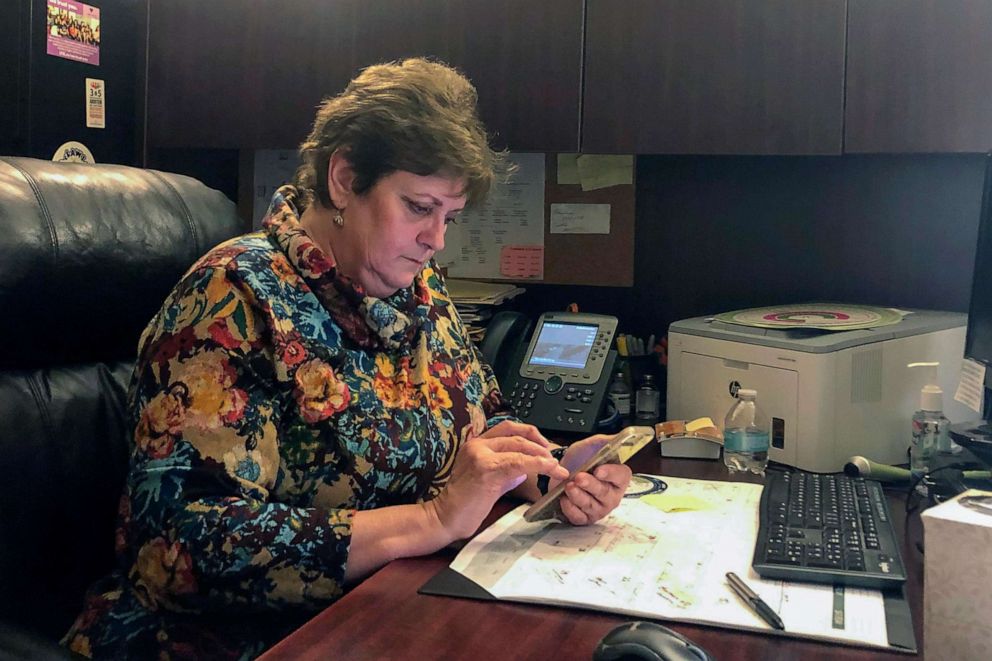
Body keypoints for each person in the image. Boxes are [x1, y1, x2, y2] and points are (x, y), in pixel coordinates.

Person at [63, 57, 631, 659]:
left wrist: (552, 473)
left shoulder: (417, 290)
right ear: (344, 178)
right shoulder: (234, 296)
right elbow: (181, 547)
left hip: (393, 614)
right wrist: (433, 518)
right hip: (233, 643)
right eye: (418, 207)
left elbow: (482, 427)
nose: (436, 239)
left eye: (450, 216)